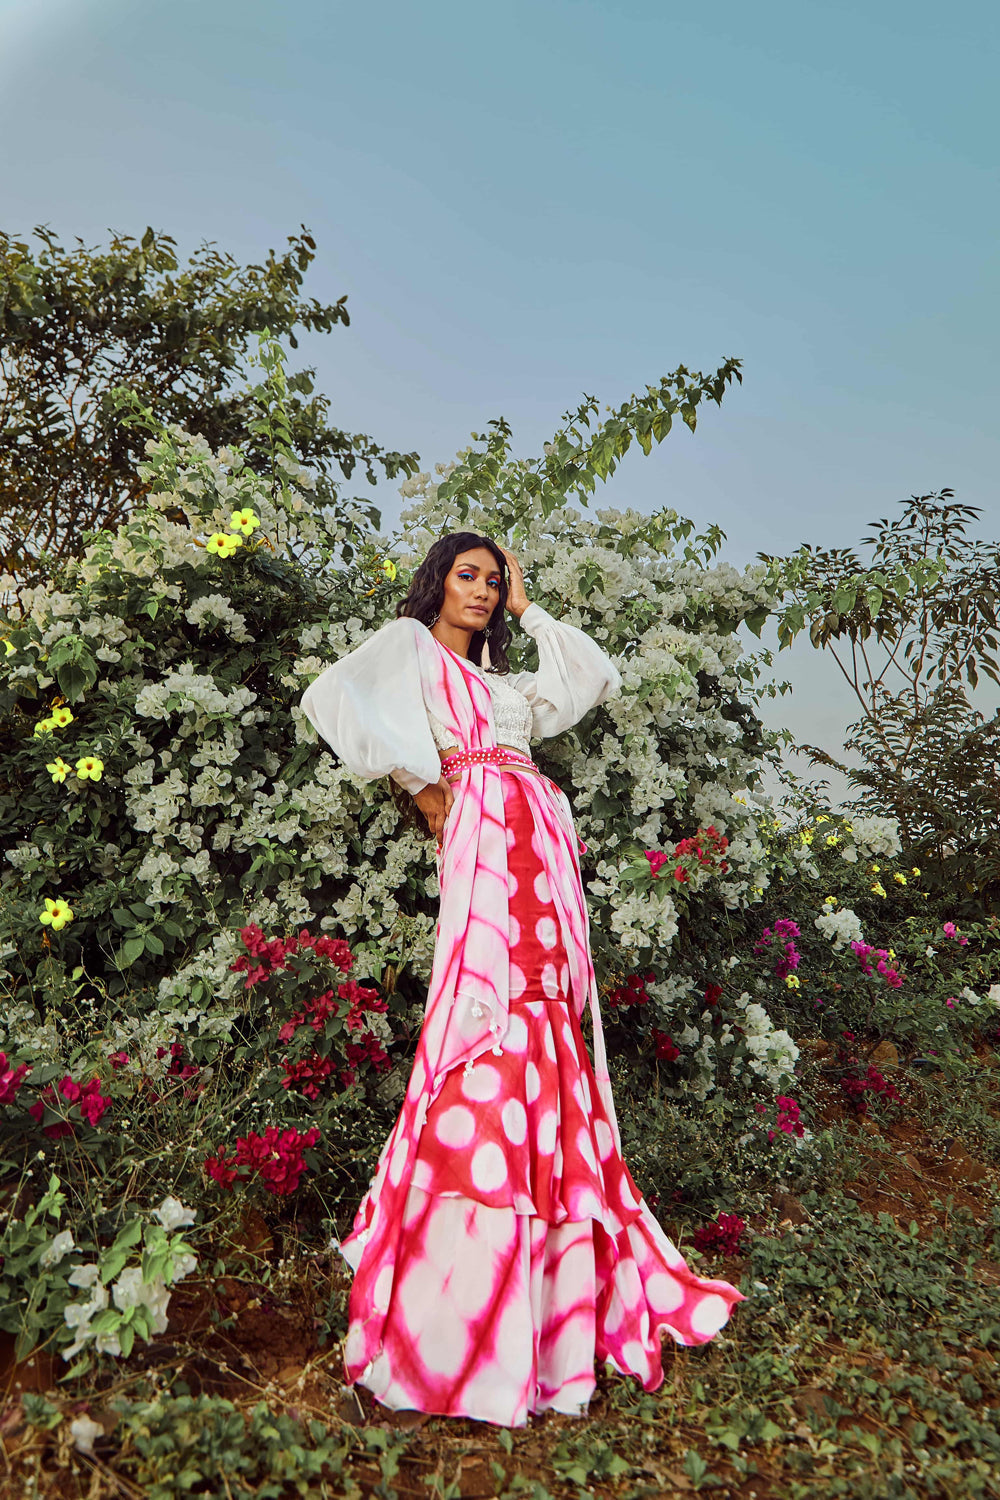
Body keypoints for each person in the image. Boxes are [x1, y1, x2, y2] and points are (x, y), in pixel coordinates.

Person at [300, 531, 743, 1427]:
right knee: (484, 1012)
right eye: (468, 575)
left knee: (543, 1012)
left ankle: (547, 1281)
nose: (482, 590)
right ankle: (462, 1283)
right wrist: (420, 787)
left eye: (494, 581)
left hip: (538, 839)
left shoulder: (502, 684)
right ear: (438, 581)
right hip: (482, 838)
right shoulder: (412, 648)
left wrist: (532, 609)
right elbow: (331, 697)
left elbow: (590, 674)